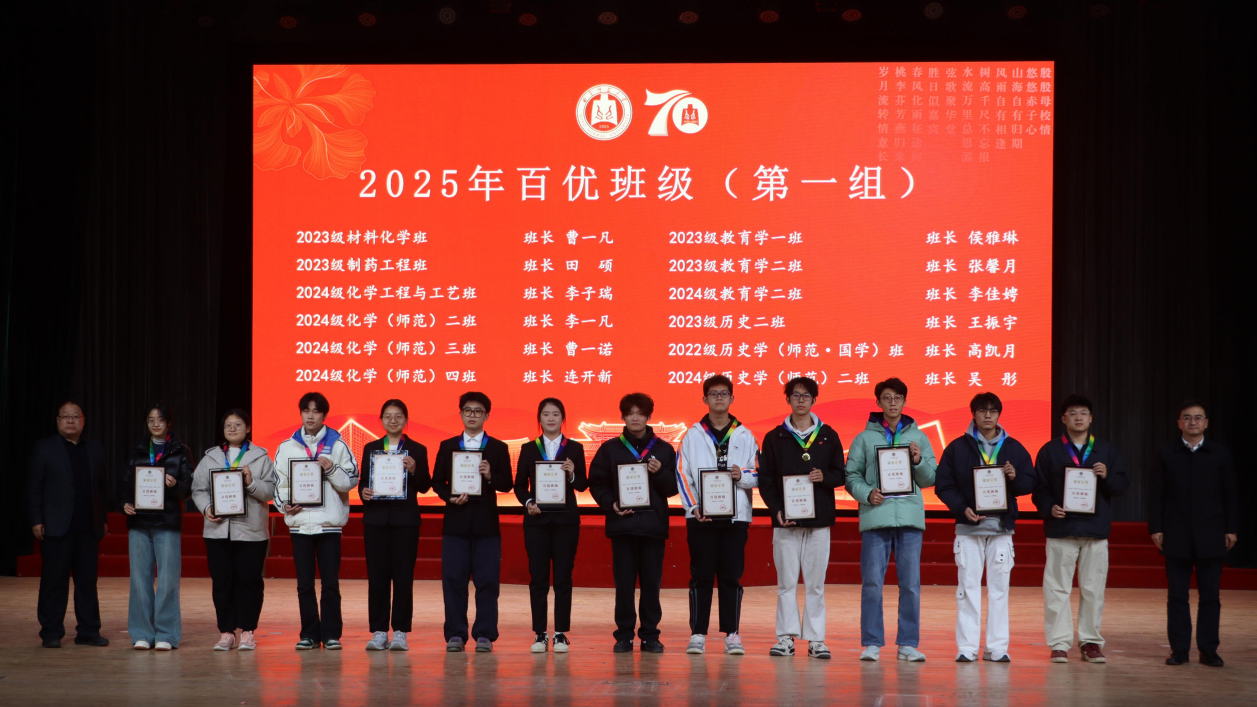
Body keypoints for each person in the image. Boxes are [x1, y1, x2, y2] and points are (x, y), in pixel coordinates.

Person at [935, 392, 1036, 663]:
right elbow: (943, 485)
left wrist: (1015, 478)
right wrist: (961, 508)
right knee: (967, 589)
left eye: (993, 410)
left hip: (1001, 528)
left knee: (999, 590)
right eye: (982, 410)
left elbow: (1030, 483)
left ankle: (997, 647)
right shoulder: (957, 448)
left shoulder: (1014, 447)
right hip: (968, 528)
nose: (988, 415)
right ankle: (967, 647)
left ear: (999, 415)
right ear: (974, 414)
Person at [844, 377, 937, 663]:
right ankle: (872, 642)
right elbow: (851, 476)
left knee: (910, 585)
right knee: (872, 583)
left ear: (905, 401)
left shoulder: (920, 438)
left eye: (897, 398)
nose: (892, 403)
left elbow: (930, 478)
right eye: (887, 398)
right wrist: (866, 493)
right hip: (876, 516)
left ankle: (908, 643)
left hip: (909, 518)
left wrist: (919, 461)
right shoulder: (863, 438)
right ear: (878, 402)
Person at [1032, 394, 1129, 664]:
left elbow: (1122, 486)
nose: (1078, 417)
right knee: (1057, 589)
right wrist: (1049, 507)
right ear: (1064, 418)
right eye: (1073, 413)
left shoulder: (1106, 451)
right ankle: (1059, 643)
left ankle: (1090, 642)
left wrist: (1107, 476)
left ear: (1090, 418)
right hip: (1061, 529)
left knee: (1093, 589)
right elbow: (1038, 489)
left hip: (1095, 531)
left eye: (1083, 412)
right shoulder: (1050, 451)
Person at [758, 376, 844, 660]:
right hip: (786, 522)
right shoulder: (774, 437)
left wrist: (824, 477)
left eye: (806, 395)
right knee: (786, 583)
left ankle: (816, 639)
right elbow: (765, 480)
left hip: (819, 522)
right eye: (795, 395)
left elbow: (840, 474)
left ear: (814, 400)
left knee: (816, 585)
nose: (801, 400)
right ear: (788, 399)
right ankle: (785, 638)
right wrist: (776, 510)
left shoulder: (828, 435)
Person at [1148, 401, 1239, 668]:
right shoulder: (1166, 452)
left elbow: (1231, 493)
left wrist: (1232, 528)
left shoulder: (1219, 452)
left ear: (1206, 423)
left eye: (1198, 418)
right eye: (1187, 418)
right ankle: (1179, 649)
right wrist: (1156, 527)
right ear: (1179, 423)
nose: (1192, 422)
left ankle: (1208, 650)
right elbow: (1156, 493)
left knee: (1210, 596)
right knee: (1177, 596)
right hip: (1176, 534)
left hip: (1212, 533)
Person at [588, 393, 679, 653]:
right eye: (630, 413)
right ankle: (624, 635)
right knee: (624, 586)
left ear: (649, 416)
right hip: (623, 526)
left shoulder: (664, 449)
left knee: (651, 586)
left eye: (640, 413)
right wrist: (611, 503)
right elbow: (597, 483)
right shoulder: (610, 449)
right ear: (623, 417)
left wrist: (660, 473)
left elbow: (674, 488)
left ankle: (650, 635)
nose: (635, 418)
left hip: (653, 527)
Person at [676, 375, 758, 656]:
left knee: (731, 576)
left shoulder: (745, 435)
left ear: (732, 398)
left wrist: (742, 475)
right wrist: (693, 506)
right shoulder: (692, 435)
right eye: (714, 393)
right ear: (705, 399)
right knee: (701, 576)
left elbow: (759, 472)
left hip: (736, 518)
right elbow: (682, 473)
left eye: (724, 393)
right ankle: (698, 633)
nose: (719, 398)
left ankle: (732, 634)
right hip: (701, 517)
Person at [273, 392, 359, 650]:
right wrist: (285, 505)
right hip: (299, 523)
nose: (310, 416)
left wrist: (331, 469)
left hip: (329, 524)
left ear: (324, 415)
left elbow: (351, 480)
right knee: (304, 584)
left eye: (316, 411)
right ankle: (309, 633)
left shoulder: (338, 445)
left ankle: (331, 633)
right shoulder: (287, 446)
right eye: (306, 410)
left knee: (330, 583)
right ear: (301, 413)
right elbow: (280, 483)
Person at [431, 391, 513, 653]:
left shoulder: (498, 448)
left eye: (478, 411)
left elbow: (507, 483)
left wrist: (490, 476)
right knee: (453, 581)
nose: (473, 415)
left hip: (486, 526)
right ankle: (456, 633)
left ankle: (485, 634)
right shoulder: (448, 446)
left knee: (487, 581)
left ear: (487, 415)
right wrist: (450, 496)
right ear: (461, 414)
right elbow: (437, 482)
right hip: (455, 524)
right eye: (468, 410)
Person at [190, 408, 277, 651]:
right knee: (222, 582)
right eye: (228, 425)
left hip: (251, 531)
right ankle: (226, 632)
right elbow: (198, 489)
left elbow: (271, 491)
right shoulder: (211, 457)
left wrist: (251, 483)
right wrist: (207, 507)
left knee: (250, 582)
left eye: (238, 424)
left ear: (248, 428)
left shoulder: (261, 457)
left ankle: (248, 631)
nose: (232, 429)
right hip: (218, 530)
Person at [28, 400, 110, 648]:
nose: (71, 420)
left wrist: (103, 519)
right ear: (58, 421)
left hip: (88, 527)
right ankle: (51, 632)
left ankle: (88, 631)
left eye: (75, 416)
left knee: (87, 583)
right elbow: (34, 488)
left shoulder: (95, 449)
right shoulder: (44, 448)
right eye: (66, 416)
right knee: (54, 582)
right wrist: (36, 519)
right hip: (56, 527)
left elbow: (102, 488)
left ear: (83, 421)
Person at [513, 397, 587, 653]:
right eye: (546, 414)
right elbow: (519, 486)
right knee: (538, 578)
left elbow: (582, 485)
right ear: (540, 419)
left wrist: (572, 474)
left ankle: (560, 633)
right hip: (537, 521)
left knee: (563, 578)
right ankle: (540, 634)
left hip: (566, 521)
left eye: (556, 414)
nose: (551, 418)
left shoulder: (575, 448)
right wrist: (529, 502)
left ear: (563, 418)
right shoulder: (528, 449)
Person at [120, 402, 194, 650]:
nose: (155, 424)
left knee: (168, 581)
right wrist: (124, 503)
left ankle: (166, 635)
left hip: (167, 522)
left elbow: (189, 489)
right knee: (139, 581)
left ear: (168, 423)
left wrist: (175, 485)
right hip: (139, 522)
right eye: (151, 420)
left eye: (160, 420)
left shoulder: (181, 451)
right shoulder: (138, 450)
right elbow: (124, 484)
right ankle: (142, 633)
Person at [358, 399, 431, 652]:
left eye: (398, 416)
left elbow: (425, 486)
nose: (393, 420)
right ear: (381, 420)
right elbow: (364, 482)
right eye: (388, 416)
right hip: (376, 521)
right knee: (377, 578)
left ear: (406, 420)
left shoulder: (417, 449)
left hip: (405, 521)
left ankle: (400, 631)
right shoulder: (371, 448)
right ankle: (379, 631)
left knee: (403, 577)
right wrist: (364, 492)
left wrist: (414, 470)